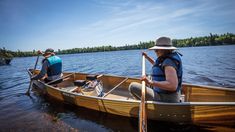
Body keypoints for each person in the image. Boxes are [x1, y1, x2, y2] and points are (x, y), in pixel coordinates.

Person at [129, 37, 183, 103]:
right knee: (147, 76)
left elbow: (172, 85)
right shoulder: (166, 58)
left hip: (167, 98)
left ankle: (143, 103)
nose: (155, 51)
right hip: (167, 94)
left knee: (132, 86)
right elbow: (158, 65)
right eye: (155, 49)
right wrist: (147, 57)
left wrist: (150, 82)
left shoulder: (169, 63)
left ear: (165, 50)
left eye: (157, 49)